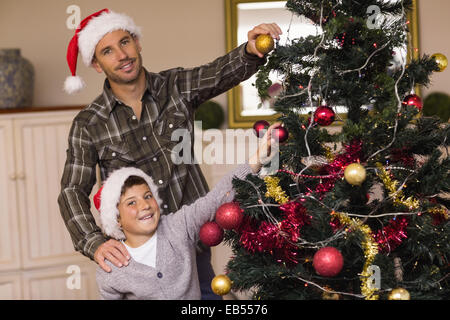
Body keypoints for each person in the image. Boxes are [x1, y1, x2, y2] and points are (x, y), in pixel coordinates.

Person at [57, 8, 282, 299]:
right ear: (97, 64)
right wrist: (93, 241)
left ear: (137, 42)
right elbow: (71, 190)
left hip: (191, 242)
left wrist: (251, 51)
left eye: (125, 42)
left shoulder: (174, 86)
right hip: (138, 255)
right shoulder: (89, 123)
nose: (122, 55)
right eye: (108, 51)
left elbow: (218, 73)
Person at [95, 123, 278, 299]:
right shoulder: (112, 264)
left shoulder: (178, 226)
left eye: (148, 196)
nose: (144, 205)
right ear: (116, 218)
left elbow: (215, 198)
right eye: (131, 203)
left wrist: (258, 158)